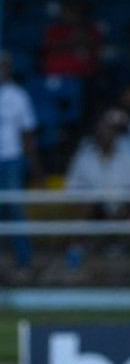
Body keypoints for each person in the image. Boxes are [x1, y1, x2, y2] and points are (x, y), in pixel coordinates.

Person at [0, 50, 42, 278]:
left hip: (11, 159)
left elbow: (27, 133)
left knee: (16, 209)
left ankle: (23, 261)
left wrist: (34, 166)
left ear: (8, 69)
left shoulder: (18, 96)